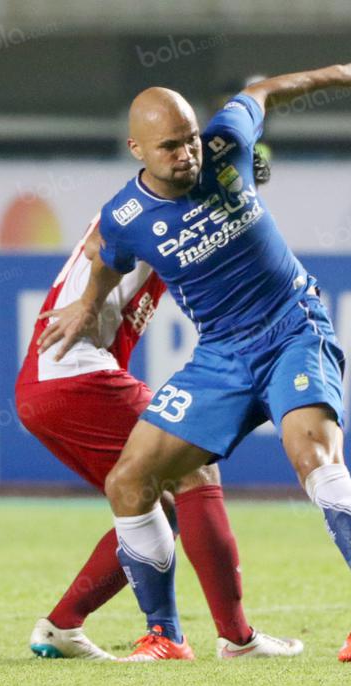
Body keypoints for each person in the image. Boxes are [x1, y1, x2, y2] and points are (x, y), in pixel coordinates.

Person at [38, 61, 351, 663]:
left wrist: (344, 74)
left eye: (189, 138)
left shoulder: (225, 142)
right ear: (136, 149)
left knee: (313, 459)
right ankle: (164, 636)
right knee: (129, 482)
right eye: (170, 146)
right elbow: (108, 253)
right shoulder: (126, 215)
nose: (188, 154)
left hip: (292, 329)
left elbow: (262, 91)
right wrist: (86, 302)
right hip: (222, 357)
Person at [16, 218, 302, 661]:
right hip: (75, 373)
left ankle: (65, 625)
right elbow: (101, 242)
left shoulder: (168, 212)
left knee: (152, 500)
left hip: (49, 382)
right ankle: (233, 638)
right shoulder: (161, 207)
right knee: (192, 465)